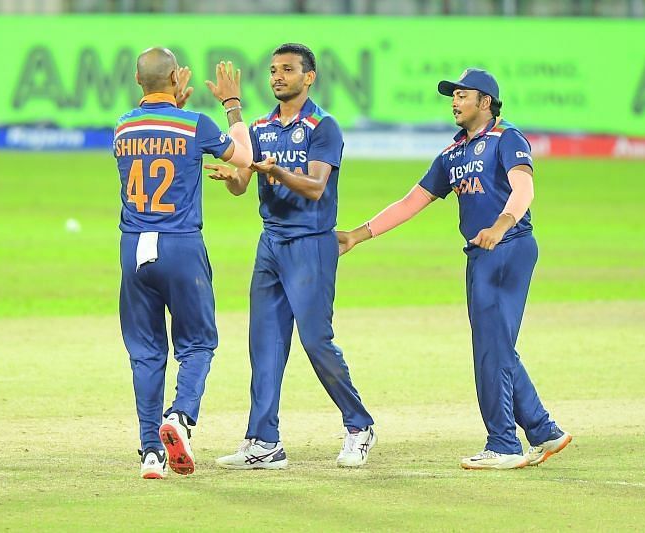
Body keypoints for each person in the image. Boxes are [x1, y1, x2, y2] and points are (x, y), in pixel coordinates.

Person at [336, 68, 572, 470]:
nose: (455, 102)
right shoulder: (453, 153)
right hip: (481, 253)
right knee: (496, 345)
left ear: (486, 102)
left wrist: (501, 225)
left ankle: (503, 444)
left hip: (508, 246)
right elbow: (412, 200)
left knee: (490, 348)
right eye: (453, 96)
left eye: (463, 95)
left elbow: (524, 187)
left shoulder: (506, 137)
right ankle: (542, 429)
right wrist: (360, 234)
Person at [205, 43, 376, 469]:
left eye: (287, 69)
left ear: (309, 77)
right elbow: (243, 183)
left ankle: (359, 425)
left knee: (316, 341)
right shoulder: (262, 127)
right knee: (264, 344)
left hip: (311, 244)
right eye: (273, 70)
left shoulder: (323, 126)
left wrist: (276, 171)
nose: (278, 76)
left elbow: (316, 186)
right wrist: (232, 175)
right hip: (271, 245)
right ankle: (264, 441)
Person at [114, 47, 253, 479]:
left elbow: (158, 144)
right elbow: (245, 159)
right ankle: (180, 418)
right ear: (176, 78)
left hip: (134, 246)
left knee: (146, 351)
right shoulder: (196, 125)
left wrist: (175, 107)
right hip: (180, 245)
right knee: (197, 344)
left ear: (138, 81)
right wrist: (231, 106)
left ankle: (151, 452)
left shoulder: (121, 127)